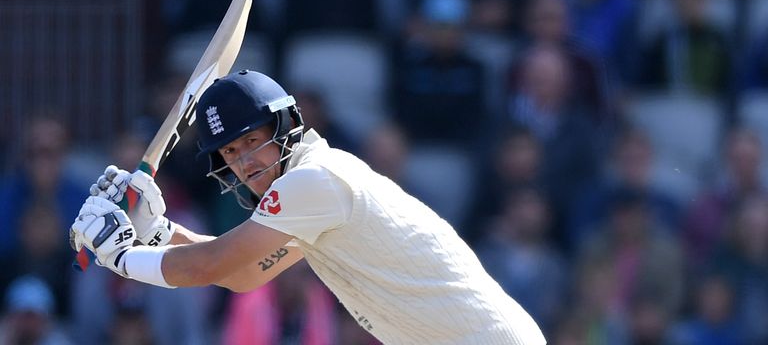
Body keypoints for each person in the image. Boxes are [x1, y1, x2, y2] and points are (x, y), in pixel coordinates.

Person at [69, 70, 546, 344]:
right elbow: (243, 273)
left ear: (286, 126)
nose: (245, 163)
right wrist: (160, 231)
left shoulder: (312, 182)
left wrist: (122, 257)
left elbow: (213, 264)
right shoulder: (308, 193)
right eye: (231, 154)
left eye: (252, 141)